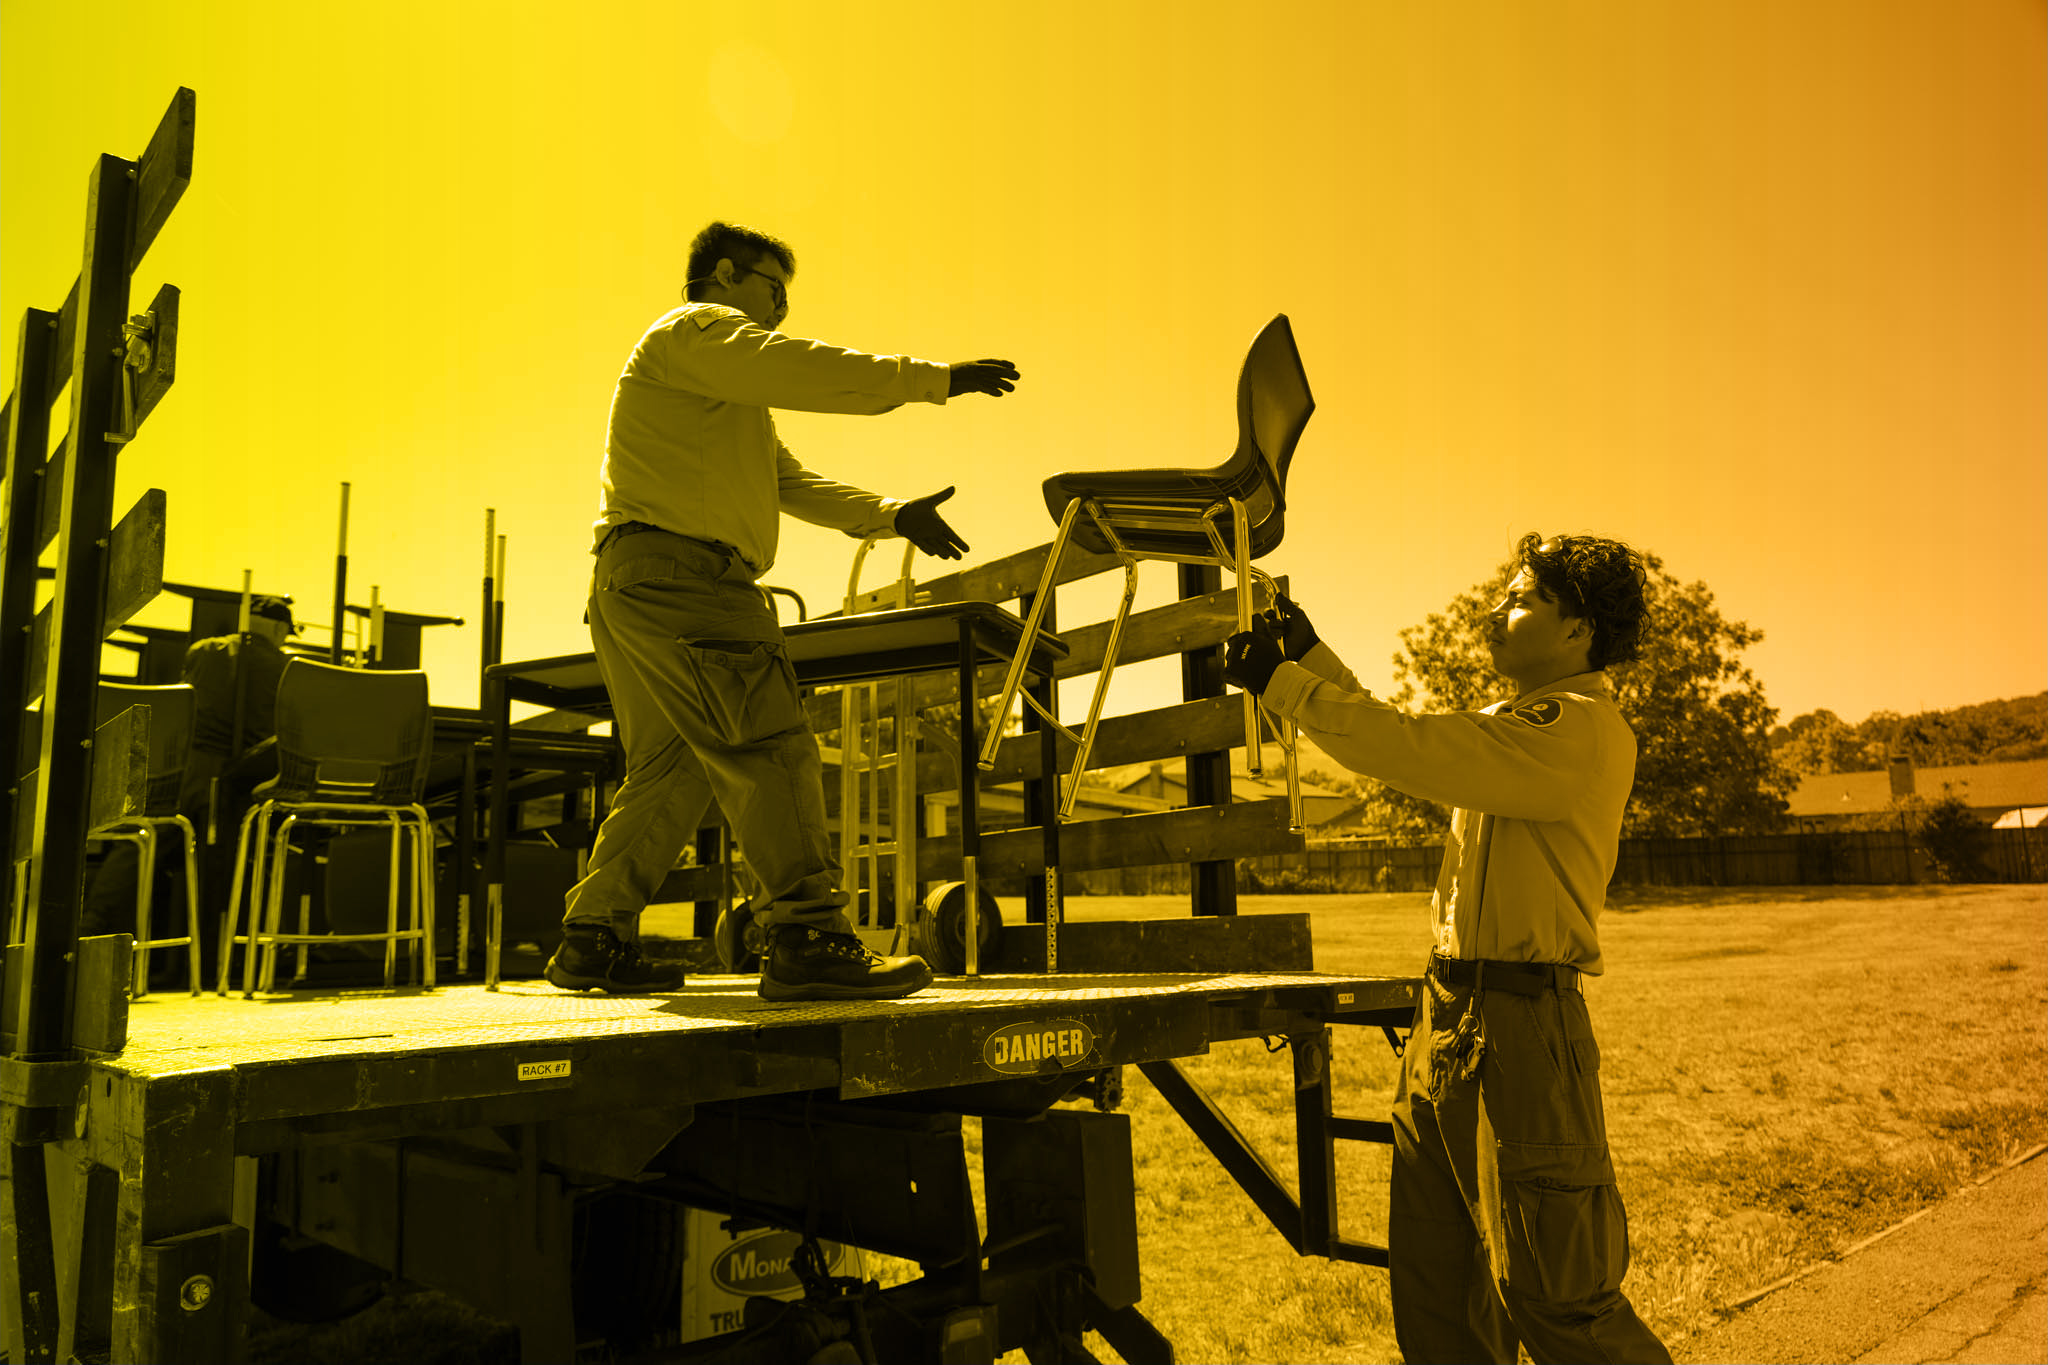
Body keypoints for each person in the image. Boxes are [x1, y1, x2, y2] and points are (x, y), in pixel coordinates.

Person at [1220, 534, 1671, 1365]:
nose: (1494, 608)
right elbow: (1406, 741)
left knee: (1558, 1294)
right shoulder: (1510, 727)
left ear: (1579, 631)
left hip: (1523, 1025)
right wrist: (1310, 654)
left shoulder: (1578, 728)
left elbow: (1410, 748)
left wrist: (1286, 685)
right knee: (1439, 1288)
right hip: (1449, 1015)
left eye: (1522, 596)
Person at [546, 220, 1020, 1002]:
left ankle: (592, 936)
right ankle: (808, 933)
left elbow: (788, 481)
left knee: (672, 769)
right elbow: (799, 369)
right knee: (768, 742)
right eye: (774, 290)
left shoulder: (711, 388)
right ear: (726, 276)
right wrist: (933, 378)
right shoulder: (699, 328)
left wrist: (891, 513)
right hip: (687, 581)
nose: (781, 311)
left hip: (632, 583)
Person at [84, 595, 294, 986]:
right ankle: (228, 958)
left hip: (182, 768)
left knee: (141, 844)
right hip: (237, 781)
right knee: (238, 859)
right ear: (281, 630)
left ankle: (92, 928)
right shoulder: (284, 667)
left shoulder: (204, 650)